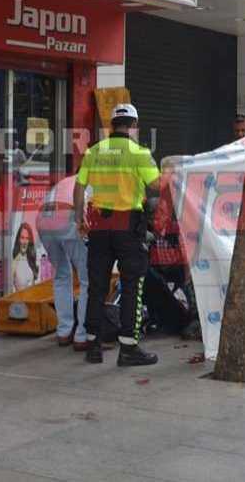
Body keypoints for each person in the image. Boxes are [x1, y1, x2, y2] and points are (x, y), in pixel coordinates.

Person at [75, 103, 162, 367]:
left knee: (97, 286)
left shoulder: (93, 151)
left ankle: (93, 346)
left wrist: (79, 218)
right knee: (132, 284)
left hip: (99, 227)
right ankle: (128, 348)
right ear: (134, 125)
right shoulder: (139, 153)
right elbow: (157, 185)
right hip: (128, 227)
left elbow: (79, 187)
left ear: (112, 126)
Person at [36, 174, 91, 350]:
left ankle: (64, 332)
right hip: (68, 217)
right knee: (87, 279)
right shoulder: (93, 180)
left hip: (43, 218)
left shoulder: (66, 180)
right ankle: (82, 335)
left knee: (61, 275)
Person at [11, 223, 39, 292]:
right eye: (22, 238)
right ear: (18, 239)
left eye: (27, 238)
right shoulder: (14, 262)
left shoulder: (32, 258)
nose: (24, 242)